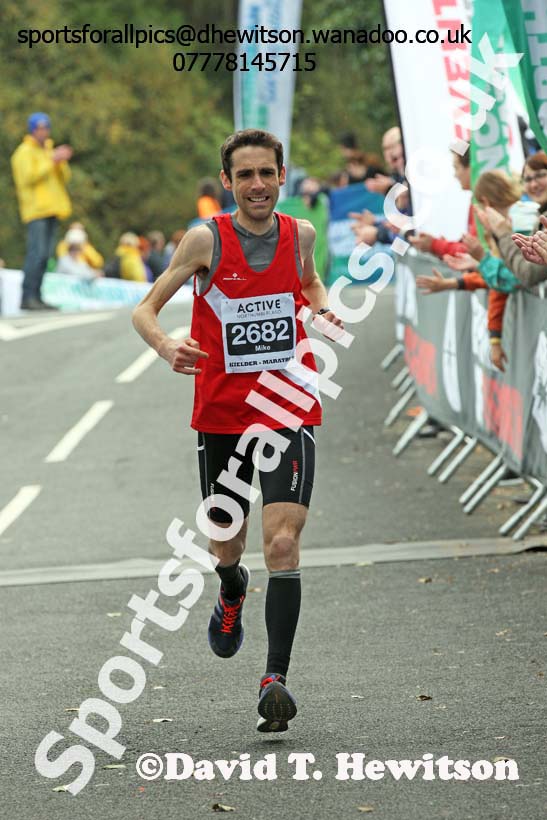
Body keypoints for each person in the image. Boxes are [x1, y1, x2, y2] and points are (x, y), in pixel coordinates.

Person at [132, 129, 343, 733]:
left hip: (288, 403)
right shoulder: (205, 239)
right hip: (222, 413)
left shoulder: (299, 234)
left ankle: (275, 678)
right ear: (228, 182)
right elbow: (144, 309)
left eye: (266, 174)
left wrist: (321, 309)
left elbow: (308, 284)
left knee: (282, 542)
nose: (257, 185)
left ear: (282, 175)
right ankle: (230, 586)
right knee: (227, 539)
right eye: (244, 175)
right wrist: (166, 344)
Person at [11, 112, 73, 310]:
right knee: (36, 254)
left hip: (52, 209)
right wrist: (52, 160)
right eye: (39, 128)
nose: (43, 132)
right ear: (32, 130)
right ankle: (27, 296)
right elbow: (27, 178)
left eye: (46, 128)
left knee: (46, 256)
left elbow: (64, 177)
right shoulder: (24, 152)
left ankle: (37, 295)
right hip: (36, 211)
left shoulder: (47, 151)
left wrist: (60, 161)